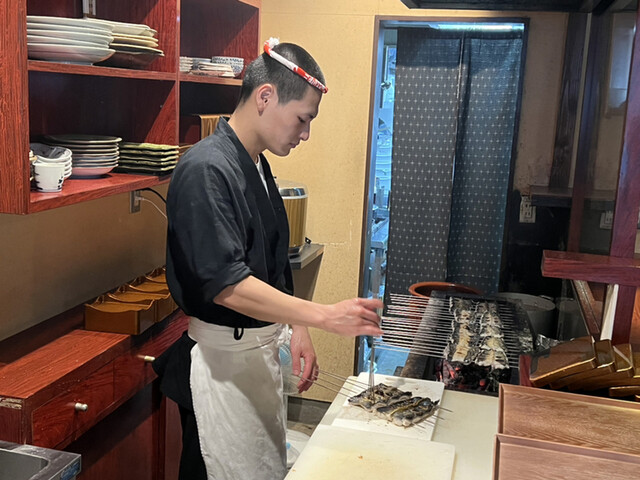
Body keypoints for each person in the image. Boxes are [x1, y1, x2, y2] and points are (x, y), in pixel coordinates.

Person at [153, 38, 383, 480]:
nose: (305, 134)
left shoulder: (256, 163)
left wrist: (298, 328)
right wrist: (322, 315)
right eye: (303, 118)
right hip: (219, 368)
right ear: (265, 97)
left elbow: (274, 260)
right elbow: (228, 285)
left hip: (253, 360)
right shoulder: (205, 168)